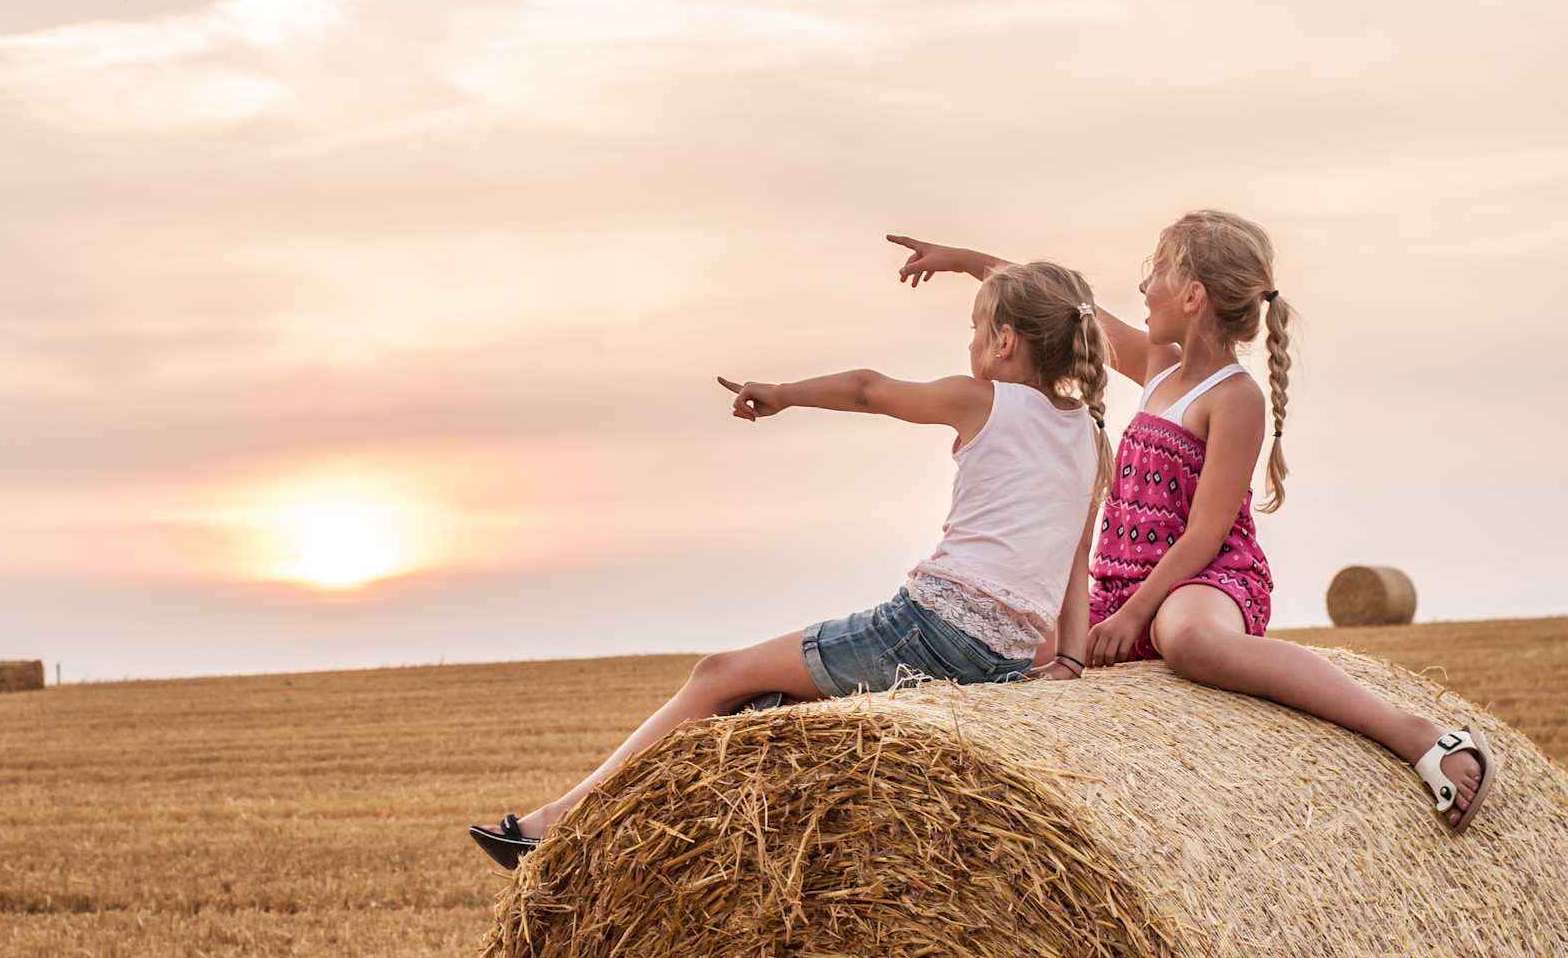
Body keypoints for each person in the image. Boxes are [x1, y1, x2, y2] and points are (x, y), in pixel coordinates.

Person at [468, 260, 1110, 868]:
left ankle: (555, 826)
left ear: (1003, 341)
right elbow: (1076, 559)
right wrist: (1071, 664)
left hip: (928, 630)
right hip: (1004, 659)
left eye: (973, 327)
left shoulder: (983, 399)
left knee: (717, 674)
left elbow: (867, 389)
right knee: (767, 707)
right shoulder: (1093, 435)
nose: (969, 342)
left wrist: (784, 393)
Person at [889, 211, 1497, 834]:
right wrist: (964, 260)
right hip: (1123, 583)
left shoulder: (1236, 398)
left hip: (1208, 580)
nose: (1143, 289)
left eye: (1155, 274)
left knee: (1191, 643)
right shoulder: (1157, 367)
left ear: (1192, 295)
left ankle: (1416, 735)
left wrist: (1133, 616)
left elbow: (1205, 535)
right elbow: (1059, 305)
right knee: (1016, 647)